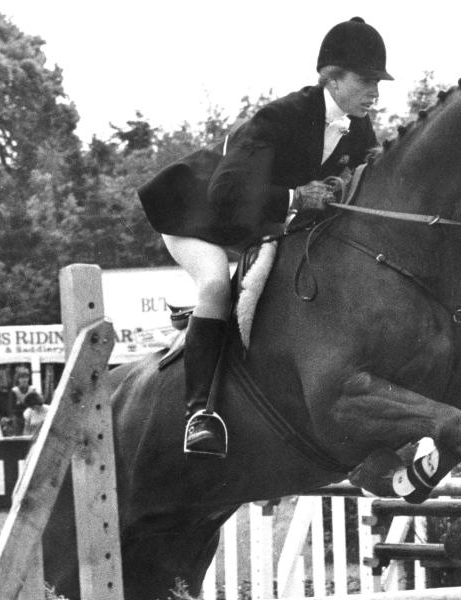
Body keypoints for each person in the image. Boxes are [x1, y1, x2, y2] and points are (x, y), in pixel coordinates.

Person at [138, 17, 392, 457]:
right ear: (331, 78)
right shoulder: (280, 118)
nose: (376, 93)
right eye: (367, 81)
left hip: (256, 223)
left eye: (378, 82)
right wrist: (296, 196)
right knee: (216, 282)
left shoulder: (357, 125)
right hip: (196, 214)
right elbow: (226, 193)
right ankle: (199, 415)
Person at [9, 366, 38, 435]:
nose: (24, 380)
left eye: (26, 377)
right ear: (18, 379)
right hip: (19, 418)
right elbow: (12, 408)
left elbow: (36, 406)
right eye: (22, 378)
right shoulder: (14, 391)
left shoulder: (32, 390)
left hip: (31, 418)